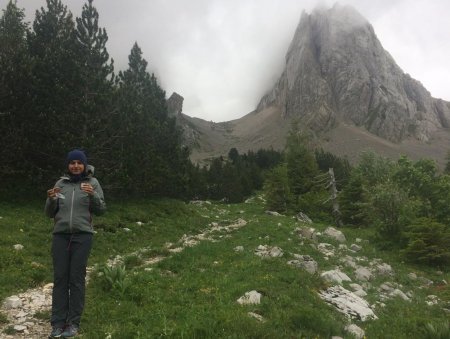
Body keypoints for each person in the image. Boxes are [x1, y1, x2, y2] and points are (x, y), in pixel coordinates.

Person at [45, 149, 106, 338]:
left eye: (80, 163)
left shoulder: (93, 183)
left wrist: (93, 195)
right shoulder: (60, 184)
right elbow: (49, 213)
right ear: (68, 165)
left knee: (76, 280)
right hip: (60, 236)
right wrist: (50, 199)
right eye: (72, 163)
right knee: (60, 279)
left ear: (85, 165)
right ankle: (57, 323)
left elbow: (102, 209)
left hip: (83, 236)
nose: (76, 166)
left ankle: (73, 324)